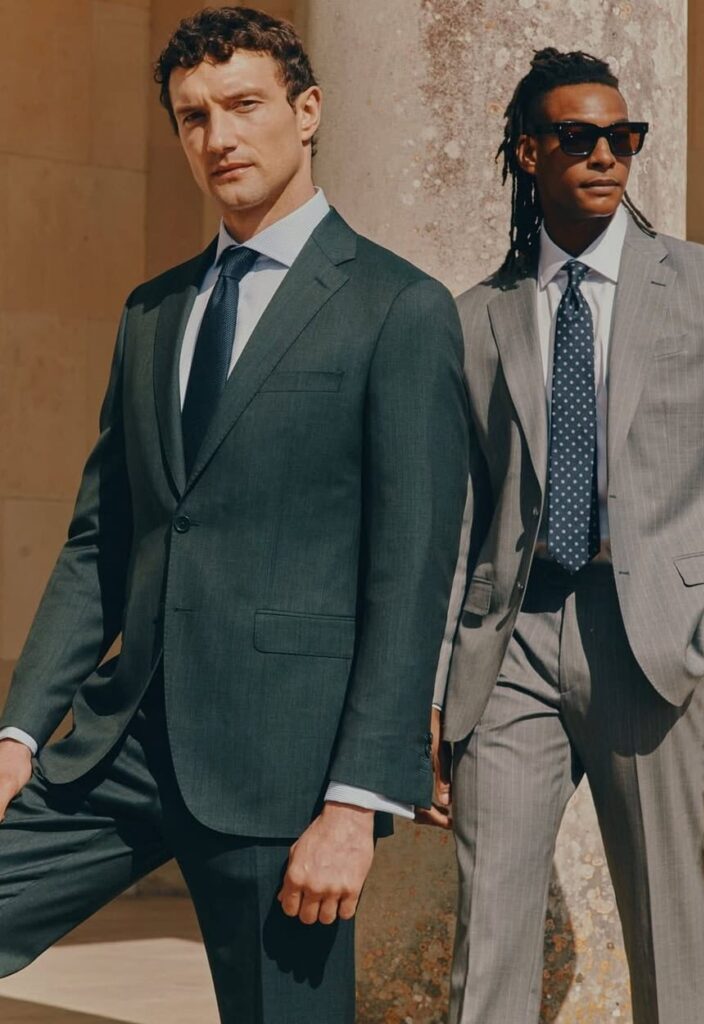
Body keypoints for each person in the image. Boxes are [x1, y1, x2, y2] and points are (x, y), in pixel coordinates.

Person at [0, 7, 468, 1023]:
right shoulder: (151, 312)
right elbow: (101, 538)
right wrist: (19, 729)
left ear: (306, 112)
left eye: (244, 106)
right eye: (193, 116)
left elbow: (410, 571)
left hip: (287, 770)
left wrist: (356, 801)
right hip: (118, 748)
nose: (218, 137)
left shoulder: (399, 308)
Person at [426, 47, 704, 1024]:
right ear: (528, 153)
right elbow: (458, 520)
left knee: (669, 939)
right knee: (489, 938)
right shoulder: (478, 318)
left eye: (624, 137)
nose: (607, 154)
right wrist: (432, 688)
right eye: (578, 136)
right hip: (508, 647)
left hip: (657, 644)